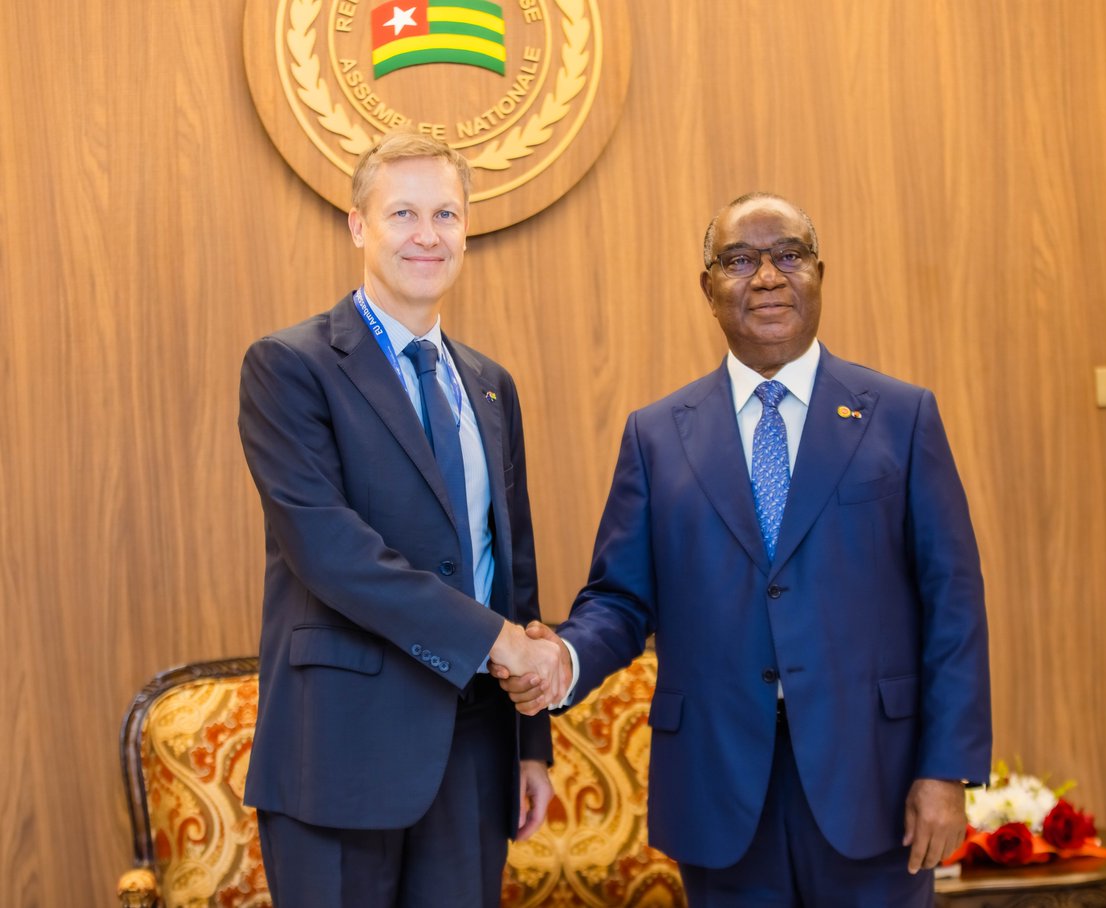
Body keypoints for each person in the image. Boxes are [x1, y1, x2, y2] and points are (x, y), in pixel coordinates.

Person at [494, 192, 992, 906]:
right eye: (739, 259)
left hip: (874, 780)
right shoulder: (657, 435)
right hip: (719, 784)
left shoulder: (900, 417)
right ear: (709, 288)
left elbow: (954, 603)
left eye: (788, 254)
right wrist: (564, 658)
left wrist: (948, 770)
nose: (766, 276)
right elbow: (621, 599)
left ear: (819, 272)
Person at [237, 129, 567, 908]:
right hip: (339, 750)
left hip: (475, 748)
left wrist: (531, 745)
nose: (428, 236)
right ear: (359, 225)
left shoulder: (490, 384)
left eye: (447, 215)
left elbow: (508, 566)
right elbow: (330, 551)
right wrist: (501, 642)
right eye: (404, 214)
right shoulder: (290, 367)